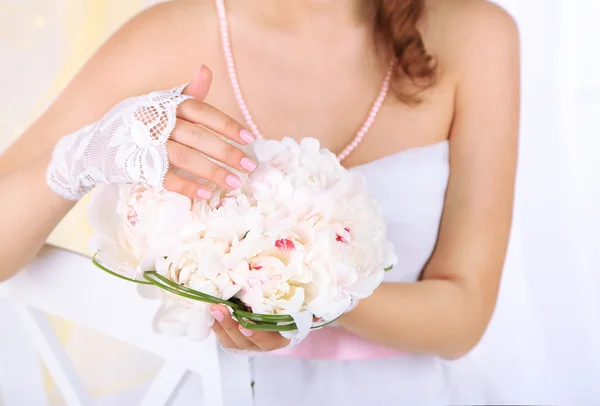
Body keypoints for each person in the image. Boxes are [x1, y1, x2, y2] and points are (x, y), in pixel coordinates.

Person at [0, 0, 520, 404]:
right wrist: (83, 158)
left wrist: (299, 291)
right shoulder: (166, 36)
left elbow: (463, 313)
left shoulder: (477, 36)